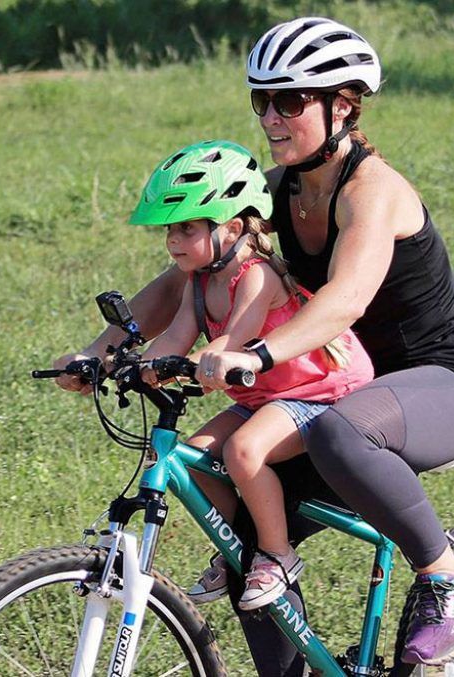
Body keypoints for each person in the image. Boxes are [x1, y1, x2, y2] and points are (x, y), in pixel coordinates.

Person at [55, 17, 454, 672]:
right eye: (260, 100)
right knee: (238, 534)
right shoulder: (273, 190)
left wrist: (255, 354)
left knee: (341, 433)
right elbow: (178, 280)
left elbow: (344, 300)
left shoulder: (371, 194)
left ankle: (446, 575)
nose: (270, 115)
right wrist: (101, 351)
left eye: (289, 100)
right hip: (339, 391)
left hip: (443, 381)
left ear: (342, 106)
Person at [128, 139, 373, 611]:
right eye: (169, 232)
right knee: (191, 459)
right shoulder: (199, 282)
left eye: (185, 228)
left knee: (243, 450)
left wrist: (209, 360)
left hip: (319, 394)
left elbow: (234, 341)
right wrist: (135, 365)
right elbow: (176, 337)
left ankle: (278, 554)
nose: (173, 241)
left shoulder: (256, 275)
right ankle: (239, 545)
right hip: (265, 396)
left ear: (233, 227)